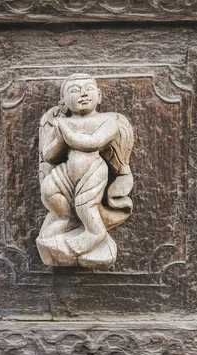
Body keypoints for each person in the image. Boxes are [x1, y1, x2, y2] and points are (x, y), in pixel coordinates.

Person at [37, 73, 134, 268]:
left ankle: (94, 233)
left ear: (99, 96)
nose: (83, 94)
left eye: (88, 89)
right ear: (63, 102)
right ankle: (65, 220)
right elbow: (50, 156)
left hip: (92, 172)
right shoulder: (64, 123)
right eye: (74, 90)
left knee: (85, 206)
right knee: (49, 192)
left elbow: (92, 143)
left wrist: (67, 133)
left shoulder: (108, 121)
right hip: (65, 172)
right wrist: (58, 140)